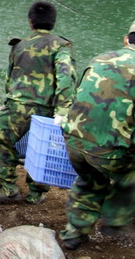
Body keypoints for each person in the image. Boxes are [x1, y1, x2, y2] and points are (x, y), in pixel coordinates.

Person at [58, 21, 135, 251]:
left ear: (126, 39)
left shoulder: (99, 58)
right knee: (129, 177)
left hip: (73, 141)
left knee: (90, 182)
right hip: (109, 152)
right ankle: (116, 217)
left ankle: (74, 233)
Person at [0, 1, 76, 204]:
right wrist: (63, 109)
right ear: (53, 23)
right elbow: (66, 77)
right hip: (46, 108)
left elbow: (9, 78)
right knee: (42, 147)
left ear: (30, 22)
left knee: (2, 142)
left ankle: (9, 187)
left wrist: (9, 99)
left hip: (17, 105)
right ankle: (36, 193)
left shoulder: (19, 45)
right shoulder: (62, 45)